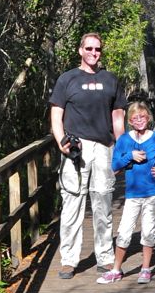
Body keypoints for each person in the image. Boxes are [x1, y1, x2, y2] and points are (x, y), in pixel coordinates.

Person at [49, 32, 126, 279]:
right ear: (80, 50)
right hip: (76, 148)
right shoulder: (67, 79)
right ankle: (69, 260)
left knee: (103, 203)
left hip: (104, 147)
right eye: (89, 48)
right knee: (72, 203)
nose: (94, 53)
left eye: (98, 49)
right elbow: (56, 114)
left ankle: (105, 257)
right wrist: (61, 142)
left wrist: (121, 149)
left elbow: (118, 116)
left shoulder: (110, 79)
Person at [97, 101, 155, 285]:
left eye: (142, 116)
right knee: (124, 232)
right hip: (132, 195)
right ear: (130, 121)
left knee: (149, 232)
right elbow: (114, 166)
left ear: (148, 118)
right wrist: (130, 156)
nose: (139, 120)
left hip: (152, 193)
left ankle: (145, 269)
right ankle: (116, 270)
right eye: (135, 117)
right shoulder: (124, 140)